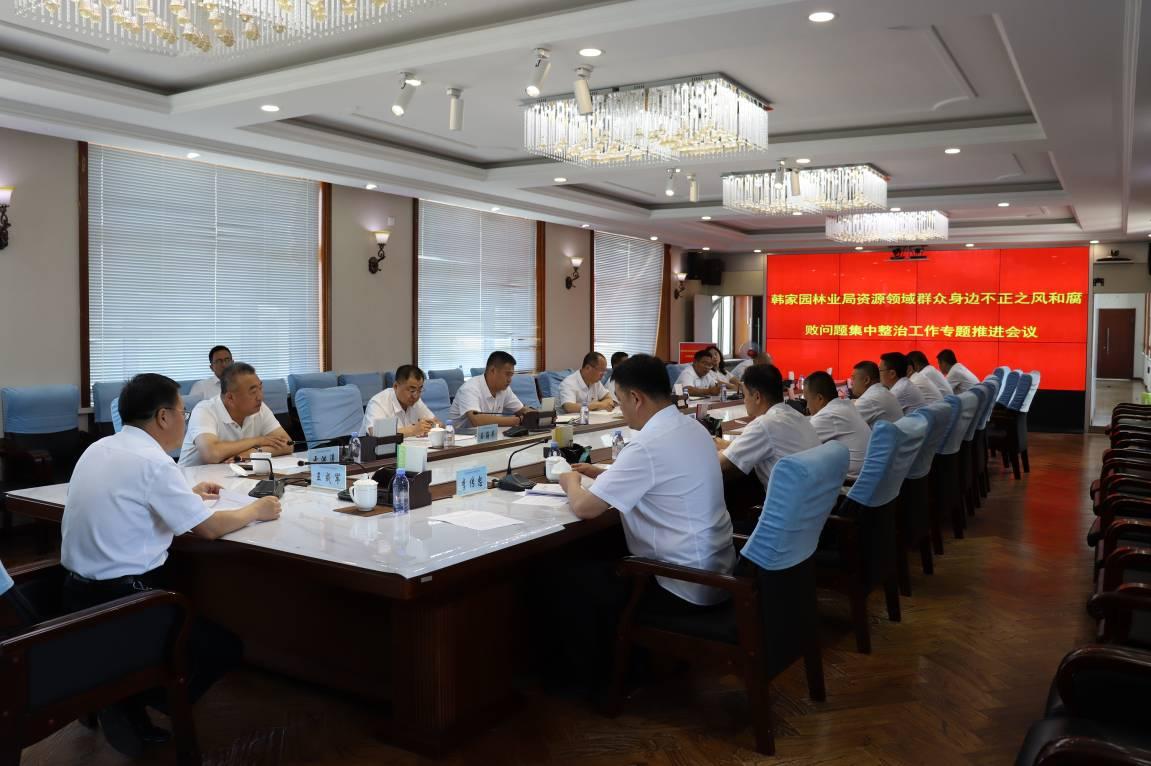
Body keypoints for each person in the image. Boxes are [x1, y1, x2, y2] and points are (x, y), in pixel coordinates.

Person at [61, 373, 281, 757]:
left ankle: (122, 692)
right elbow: (209, 528)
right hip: (124, 601)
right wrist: (256, 510)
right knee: (224, 647)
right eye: (183, 411)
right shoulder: (154, 462)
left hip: (75, 593)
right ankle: (134, 698)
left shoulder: (100, 447)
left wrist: (186, 494)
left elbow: (135, 497)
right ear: (163, 417)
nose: (185, 418)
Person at [550, 354, 736, 688]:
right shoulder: (692, 428)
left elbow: (586, 508)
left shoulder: (647, 444)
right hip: (718, 572)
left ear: (636, 398)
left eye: (620, 401)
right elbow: (659, 475)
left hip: (681, 584)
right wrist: (602, 473)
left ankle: (595, 685)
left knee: (566, 574)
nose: (620, 409)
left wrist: (570, 481)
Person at [714, 363, 821, 486]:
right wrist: (728, 445)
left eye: (745, 395)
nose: (744, 401)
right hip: (816, 494)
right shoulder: (796, 416)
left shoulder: (764, 424)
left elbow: (722, 463)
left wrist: (709, 450)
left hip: (791, 497)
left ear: (757, 397)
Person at [178, 362, 293, 466]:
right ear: (230, 398)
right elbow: (212, 454)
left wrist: (251, 453)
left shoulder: (259, 408)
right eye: (253, 392)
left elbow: (287, 444)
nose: (260, 397)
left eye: (260, 388)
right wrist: (258, 440)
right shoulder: (205, 410)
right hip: (191, 479)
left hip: (230, 476)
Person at [804, 370, 871, 481]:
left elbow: (801, 440)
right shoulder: (844, 406)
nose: (807, 406)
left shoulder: (829, 415)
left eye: (807, 400)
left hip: (849, 485)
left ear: (820, 398)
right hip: (865, 479)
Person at [448, 350, 534, 429]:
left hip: (489, 436)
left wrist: (537, 415)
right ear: (493, 370)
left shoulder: (504, 389)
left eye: (511, 375)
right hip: (460, 438)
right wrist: (517, 420)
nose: (510, 380)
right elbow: (477, 420)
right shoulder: (469, 389)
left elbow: (522, 410)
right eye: (507, 374)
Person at [362, 364, 442, 437]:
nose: (416, 396)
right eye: (412, 390)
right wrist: (413, 430)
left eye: (420, 390)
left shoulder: (416, 401)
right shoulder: (378, 402)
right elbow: (375, 433)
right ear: (396, 386)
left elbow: (438, 423)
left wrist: (434, 426)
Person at [850, 360, 904, 426]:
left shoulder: (869, 399)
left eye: (853, 379)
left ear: (866, 380)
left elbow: (846, 423)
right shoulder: (881, 391)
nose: (851, 383)